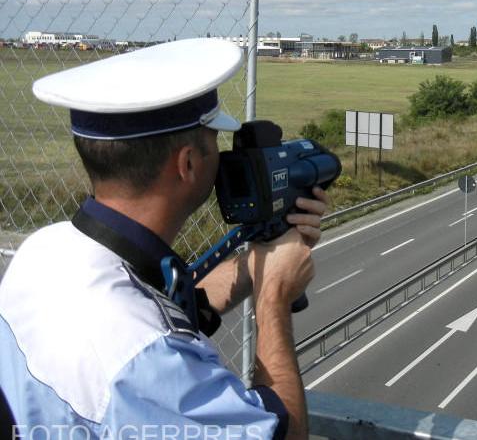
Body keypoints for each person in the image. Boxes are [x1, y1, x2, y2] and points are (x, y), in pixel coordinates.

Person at [0, 39, 327, 440]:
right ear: (187, 163)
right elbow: (284, 431)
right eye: (214, 144)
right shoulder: (144, 356)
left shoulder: (44, 251)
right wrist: (274, 294)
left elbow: (163, 306)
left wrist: (261, 259)